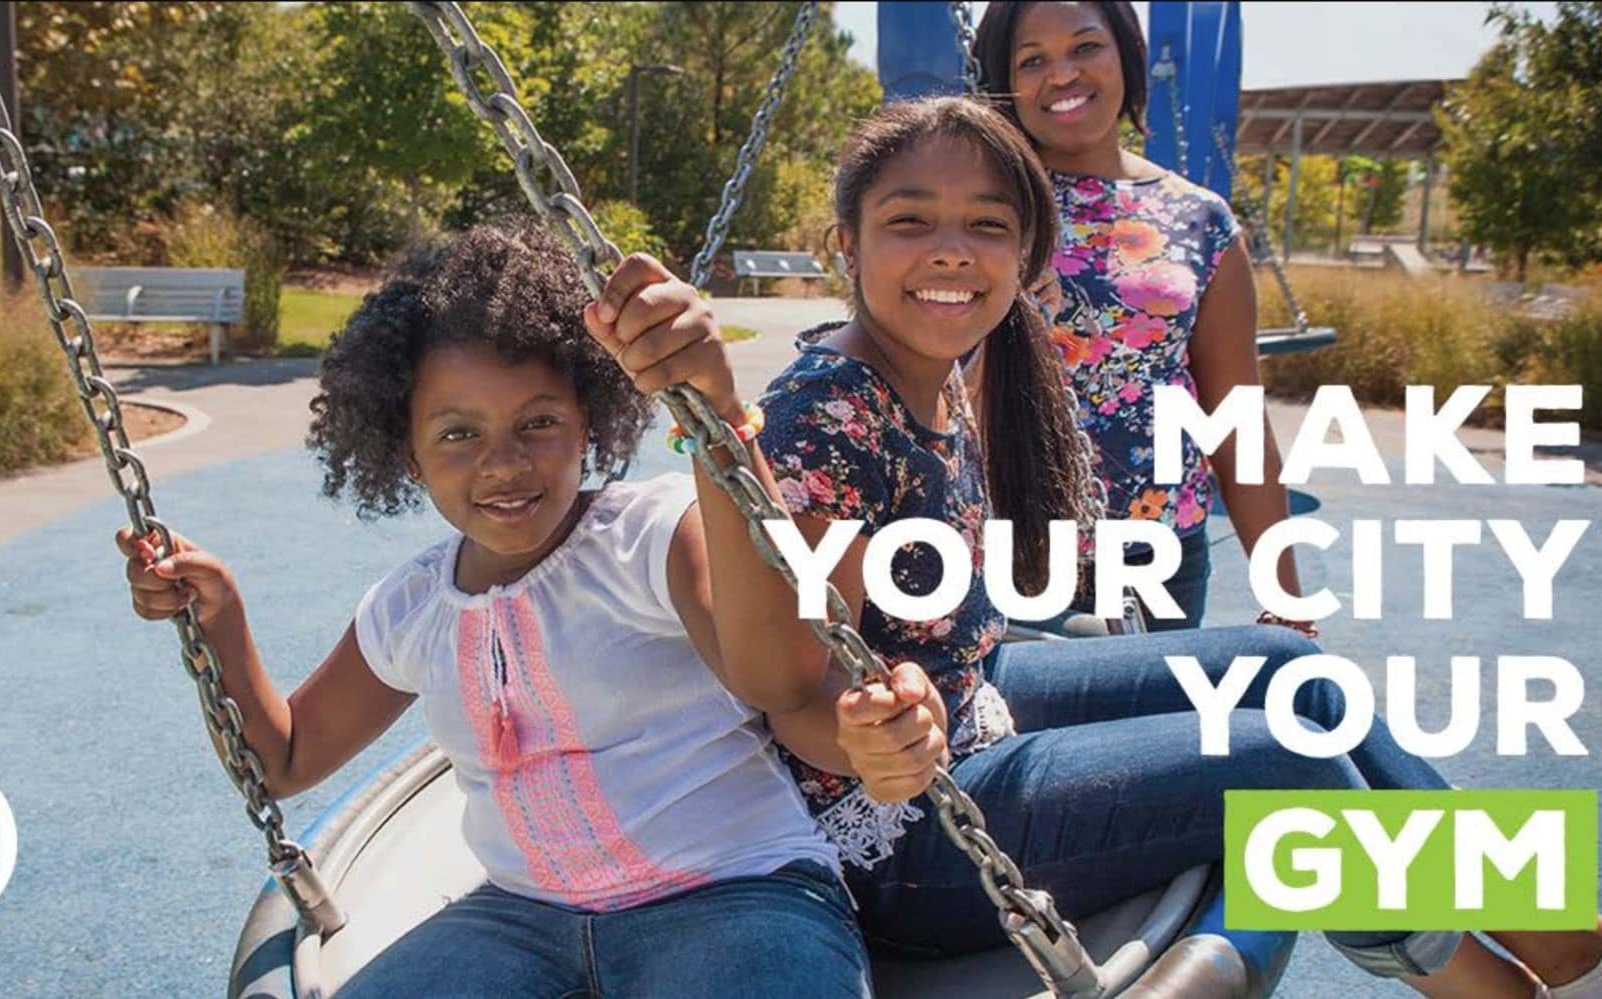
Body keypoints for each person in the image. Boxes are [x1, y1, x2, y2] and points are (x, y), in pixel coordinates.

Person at [746, 95, 1602, 999]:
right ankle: (1497, 988)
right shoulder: (827, 417)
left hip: (977, 704)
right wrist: (874, 735)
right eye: (909, 220)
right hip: (906, 833)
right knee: (1287, 759)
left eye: (987, 225)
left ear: (1026, 254)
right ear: (846, 244)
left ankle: (1554, 932)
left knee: (1291, 669)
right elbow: (800, 686)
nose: (952, 249)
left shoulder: (941, 373)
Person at [117, 223, 878, 997]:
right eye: (458, 435)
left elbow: (781, 675)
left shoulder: (653, 534)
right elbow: (281, 759)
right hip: (520, 919)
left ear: (589, 420)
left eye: (539, 422)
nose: (504, 463)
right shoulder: (411, 608)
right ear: (408, 455)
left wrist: (715, 413)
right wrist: (219, 619)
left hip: (734, 893)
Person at [972, 0, 1305, 631]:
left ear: (1127, 51)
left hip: (1160, 559)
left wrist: (1284, 594)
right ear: (1002, 83)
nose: (1063, 74)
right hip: (1005, 551)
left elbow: (1235, 418)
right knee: (1013, 730)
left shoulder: (1200, 221)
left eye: (1085, 47)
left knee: (1159, 730)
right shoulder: (980, 207)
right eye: (1032, 60)